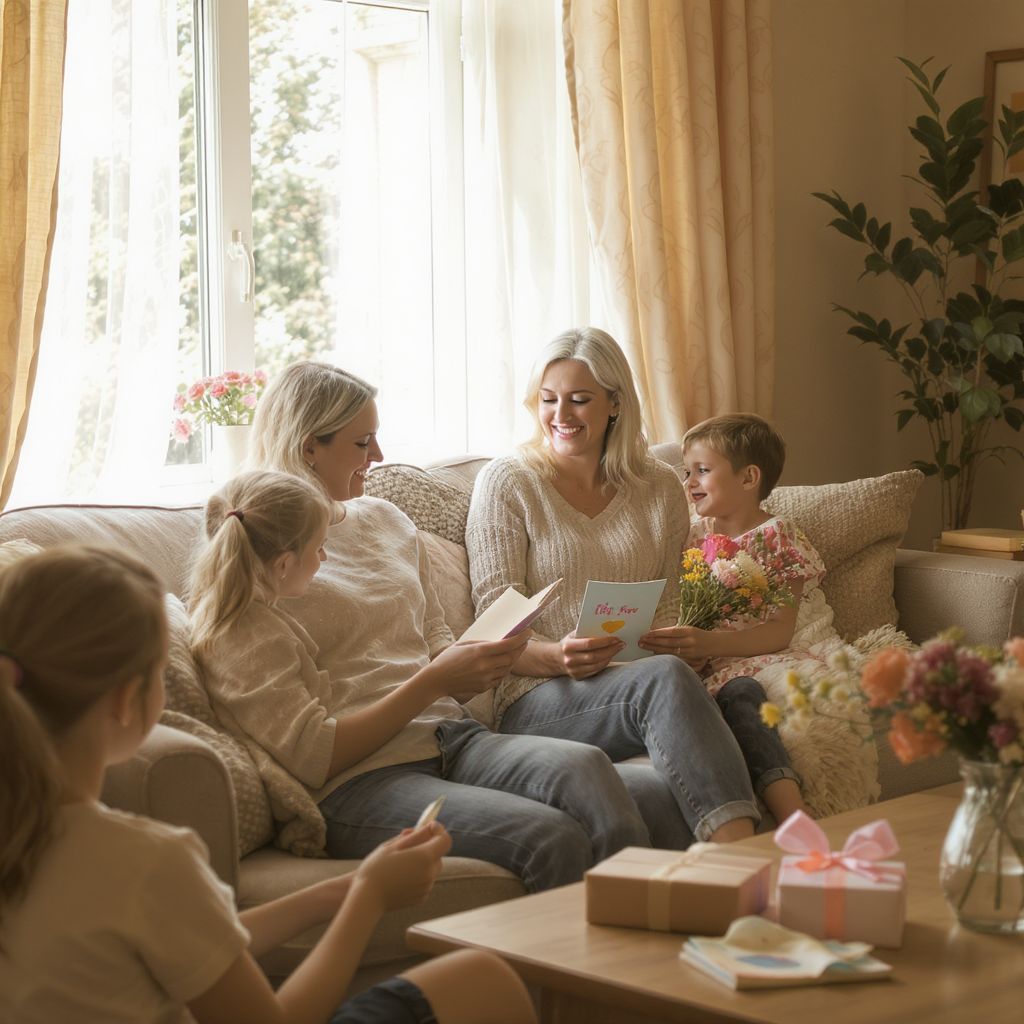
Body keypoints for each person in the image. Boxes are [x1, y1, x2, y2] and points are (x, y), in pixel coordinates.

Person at [0, 543, 538, 1024]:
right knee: (482, 979)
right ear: (125, 702)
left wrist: (340, 890)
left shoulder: (44, 844)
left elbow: (204, 942)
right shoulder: (149, 861)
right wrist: (369, 900)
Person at [217, 390, 651, 892]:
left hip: (450, 736)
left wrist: (482, 659)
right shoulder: (263, 556)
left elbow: (437, 651)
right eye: (362, 442)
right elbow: (315, 755)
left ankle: (641, 930)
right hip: (364, 780)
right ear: (310, 446)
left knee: (587, 766)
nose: (377, 458)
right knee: (549, 835)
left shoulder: (387, 521)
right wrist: (433, 681)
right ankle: (585, 963)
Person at [465, 327, 765, 846]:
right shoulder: (509, 483)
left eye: (580, 400)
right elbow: (495, 626)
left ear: (615, 404)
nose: (562, 415)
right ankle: (744, 856)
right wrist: (559, 656)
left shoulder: (657, 486)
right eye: (549, 399)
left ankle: (723, 871)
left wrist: (680, 641)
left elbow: (670, 604)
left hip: (637, 681)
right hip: (538, 696)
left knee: (712, 687)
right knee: (665, 679)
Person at [669, 413, 811, 823]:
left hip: (755, 660)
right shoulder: (692, 537)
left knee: (743, 699)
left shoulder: (777, 535)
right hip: (703, 668)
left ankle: (795, 819)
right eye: (686, 472)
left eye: (702, 471)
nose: (689, 482)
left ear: (749, 478)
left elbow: (780, 630)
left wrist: (710, 645)